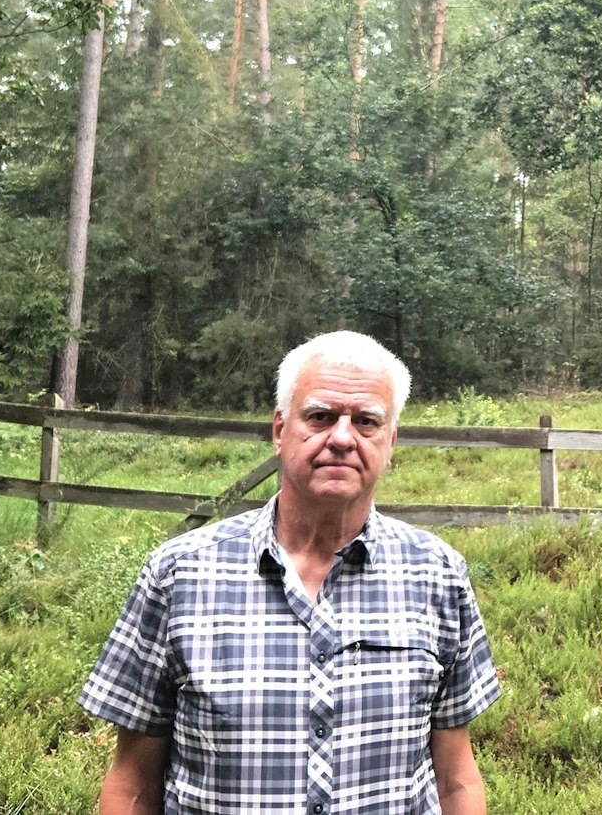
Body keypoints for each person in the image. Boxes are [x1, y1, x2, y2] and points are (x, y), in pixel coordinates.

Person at [81, 331, 500, 815]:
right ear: (280, 429)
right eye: (320, 417)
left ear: (390, 443)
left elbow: (456, 780)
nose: (342, 438)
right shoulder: (179, 576)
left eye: (366, 422)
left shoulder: (439, 575)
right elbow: (133, 783)